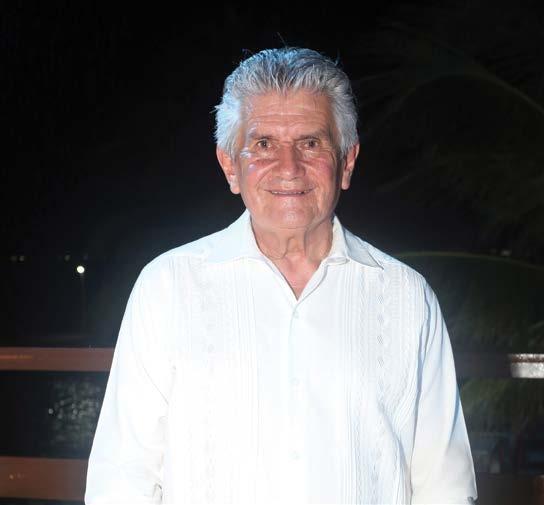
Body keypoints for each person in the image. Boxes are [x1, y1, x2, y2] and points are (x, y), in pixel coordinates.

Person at [85, 47, 477, 504]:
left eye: (311, 143)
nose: (289, 168)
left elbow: (444, 485)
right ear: (230, 166)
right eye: (264, 145)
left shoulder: (407, 297)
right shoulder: (166, 287)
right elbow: (123, 477)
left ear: (347, 162)